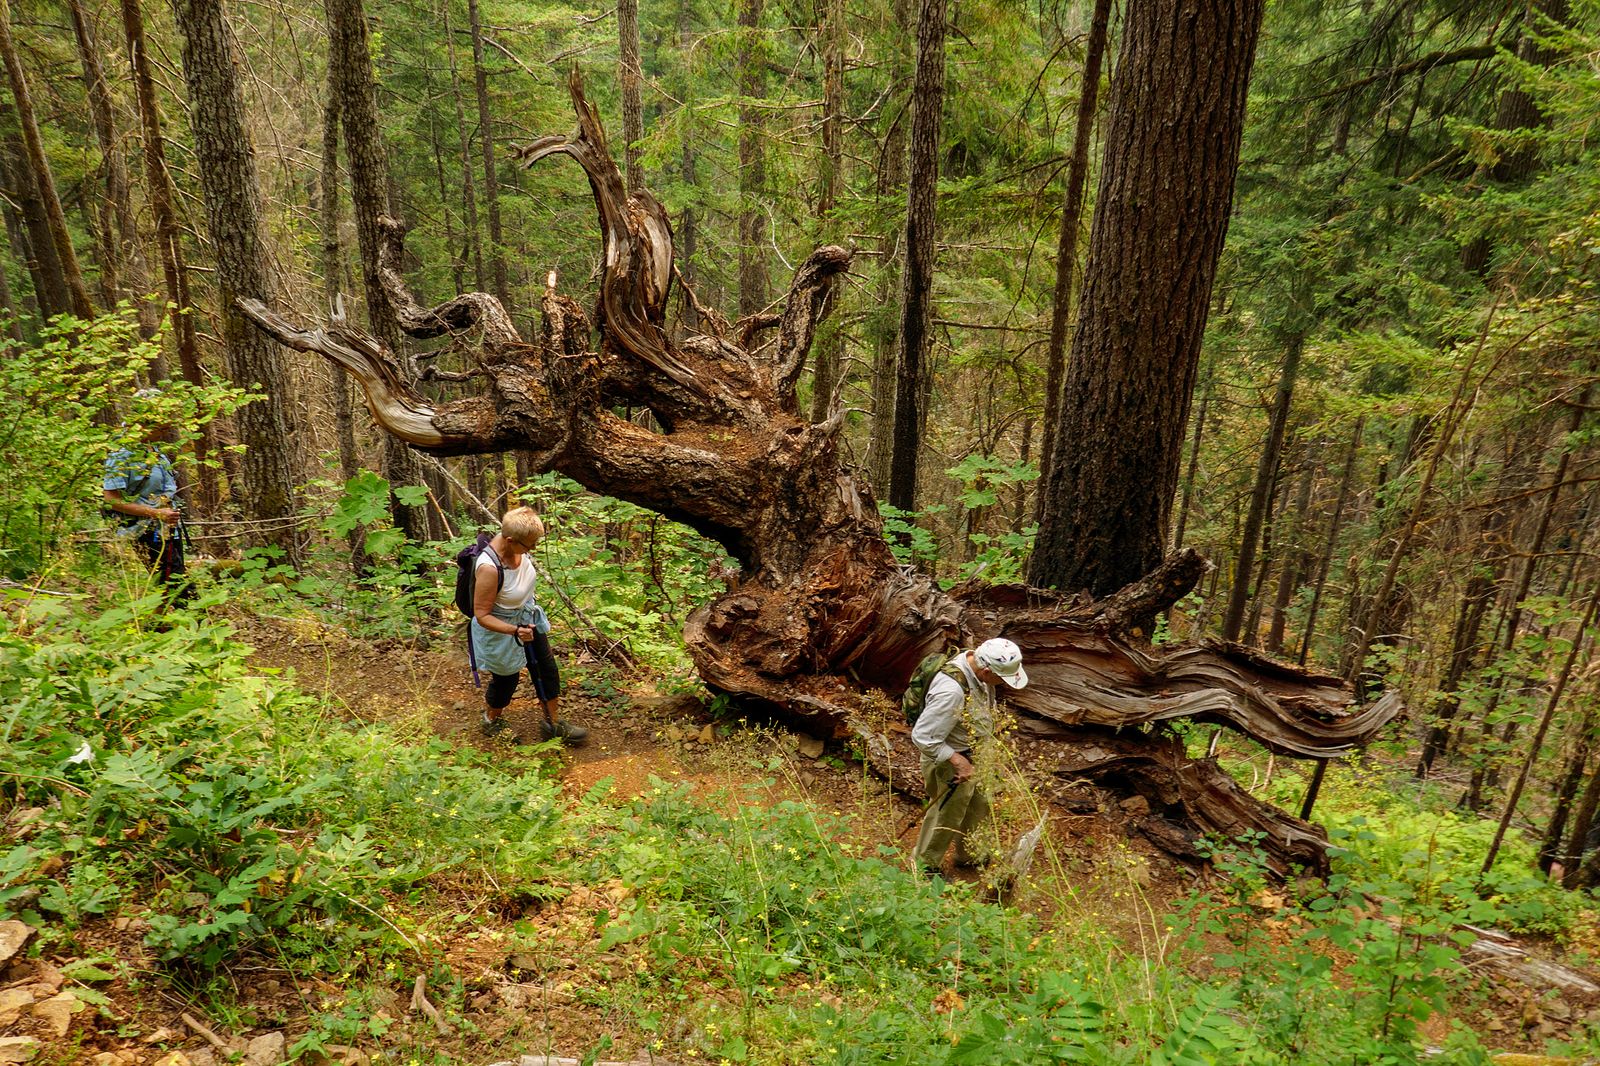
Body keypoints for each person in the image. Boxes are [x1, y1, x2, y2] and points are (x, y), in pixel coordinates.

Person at [470, 506, 587, 745]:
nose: (532, 549)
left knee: (546, 670)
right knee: (506, 679)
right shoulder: (489, 568)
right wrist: (514, 630)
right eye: (529, 545)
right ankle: (491, 720)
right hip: (502, 628)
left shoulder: (516, 544)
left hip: (528, 619)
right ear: (510, 540)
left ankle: (552, 723)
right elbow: (481, 614)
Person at [910, 637, 1028, 876]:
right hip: (952, 760)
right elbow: (924, 737)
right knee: (947, 813)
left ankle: (971, 854)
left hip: (975, 751)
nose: (1003, 684)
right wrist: (958, 761)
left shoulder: (978, 665)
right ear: (986, 670)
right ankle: (925, 865)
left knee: (980, 804)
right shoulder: (950, 690)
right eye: (1002, 679)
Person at [103, 400, 187, 591]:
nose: (165, 431)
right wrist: (155, 513)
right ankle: (199, 620)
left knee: (169, 580)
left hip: (167, 526)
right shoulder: (122, 454)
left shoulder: (154, 449)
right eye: (161, 425)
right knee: (175, 583)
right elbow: (110, 500)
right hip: (144, 529)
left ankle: (159, 619)